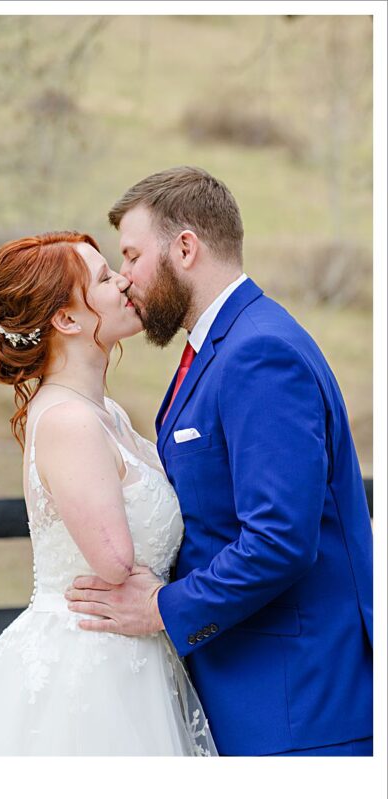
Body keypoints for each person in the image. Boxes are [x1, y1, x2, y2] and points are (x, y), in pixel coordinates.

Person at [64, 166, 373, 756]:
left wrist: (162, 607)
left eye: (131, 257)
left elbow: (280, 539)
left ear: (185, 248)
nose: (125, 280)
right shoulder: (220, 347)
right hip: (248, 695)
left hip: (298, 708)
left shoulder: (260, 353)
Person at [0, 231, 216, 756]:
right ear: (66, 320)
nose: (124, 281)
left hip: (135, 656)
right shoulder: (68, 421)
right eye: (106, 279)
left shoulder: (108, 414)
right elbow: (113, 561)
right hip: (89, 667)